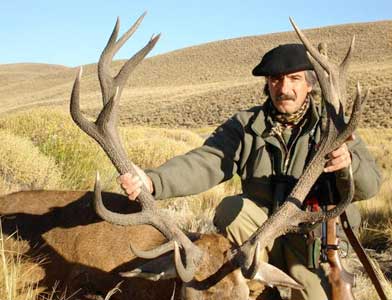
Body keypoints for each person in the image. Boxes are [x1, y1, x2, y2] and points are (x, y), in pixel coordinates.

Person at [118, 43, 382, 299]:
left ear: (310, 84)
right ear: (267, 84)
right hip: (259, 235)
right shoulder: (246, 126)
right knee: (233, 209)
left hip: (310, 239)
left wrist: (349, 165)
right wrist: (153, 181)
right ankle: (257, 291)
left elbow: (370, 186)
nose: (284, 88)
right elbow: (207, 161)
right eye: (276, 80)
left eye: (294, 78)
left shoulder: (335, 127)